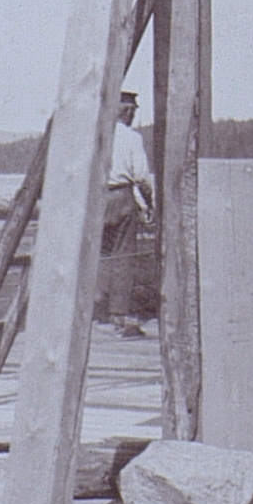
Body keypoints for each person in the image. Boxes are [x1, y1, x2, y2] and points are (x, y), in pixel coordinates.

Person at [96, 90, 154, 337]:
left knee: (99, 254)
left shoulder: (98, 134)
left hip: (96, 198)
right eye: (132, 111)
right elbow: (141, 176)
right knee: (122, 256)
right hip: (121, 198)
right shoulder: (131, 138)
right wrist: (149, 203)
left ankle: (96, 309)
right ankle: (118, 314)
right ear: (127, 112)